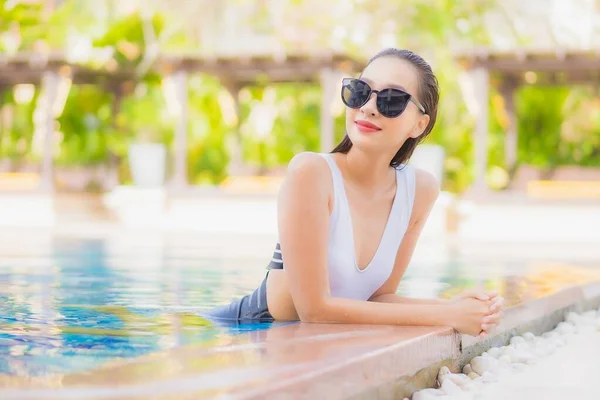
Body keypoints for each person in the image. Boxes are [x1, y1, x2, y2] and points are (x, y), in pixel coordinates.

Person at [206, 48, 504, 337]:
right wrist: (446, 315)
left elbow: (378, 300)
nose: (368, 107)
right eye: (360, 91)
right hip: (242, 330)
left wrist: (459, 307)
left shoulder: (419, 191)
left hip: (305, 340)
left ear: (419, 124)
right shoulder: (311, 173)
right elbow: (314, 311)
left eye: (391, 99)